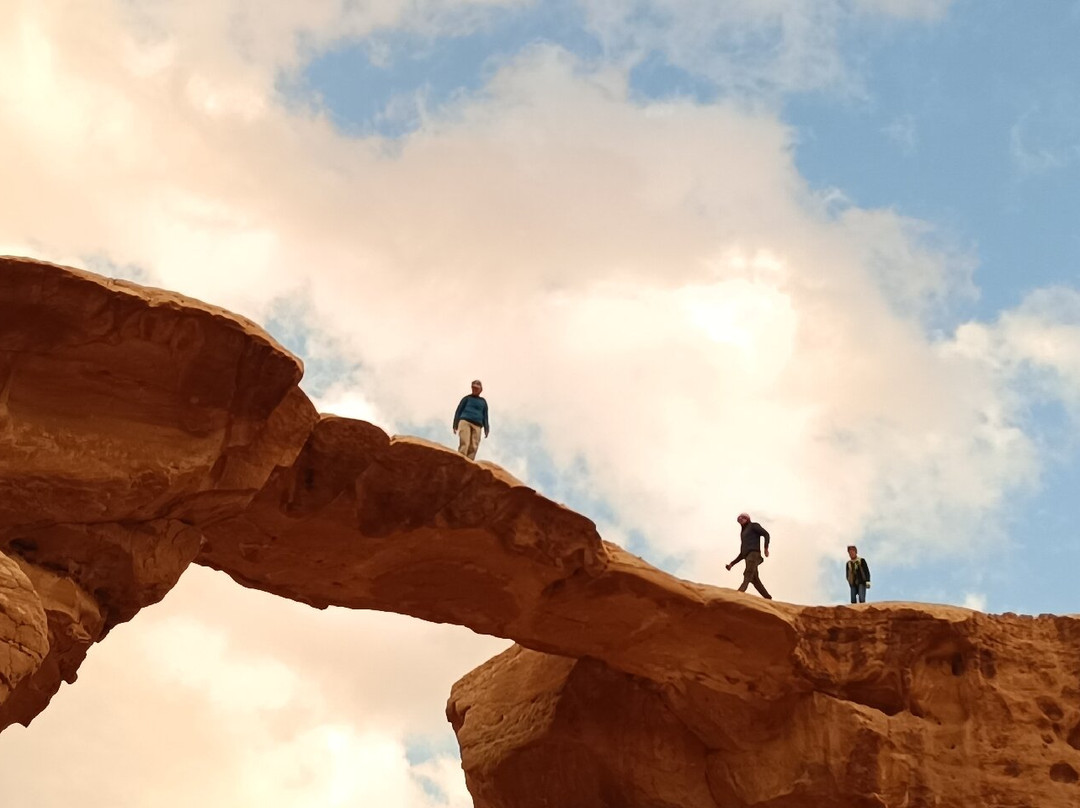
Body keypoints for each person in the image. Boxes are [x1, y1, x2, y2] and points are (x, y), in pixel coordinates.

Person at [725, 513, 772, 599]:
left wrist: (766, 548)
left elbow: (766, 534)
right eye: (739, 519)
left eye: (742, 518)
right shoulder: (743, 533)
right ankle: (767, 597)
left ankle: (740, 592)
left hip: (754, 554)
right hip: (747, 556)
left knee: (748, 573)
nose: (740, 520)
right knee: (754, 579)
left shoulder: (754, 526)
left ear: (747, 519)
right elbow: (742, 553)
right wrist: (732, 564)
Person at [453, 379, 489, 460]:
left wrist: (487, 428)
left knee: (474, 445)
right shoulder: (467, 398)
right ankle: (461, 459)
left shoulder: (483, 402)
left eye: (477, 388)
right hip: (465, 420)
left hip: (478, 424)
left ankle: (469, 461)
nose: (475, 390)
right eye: (473, 388)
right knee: (465, 442)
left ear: (480, 390)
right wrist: (455, 424)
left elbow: (485, 415)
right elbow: (459, 411)